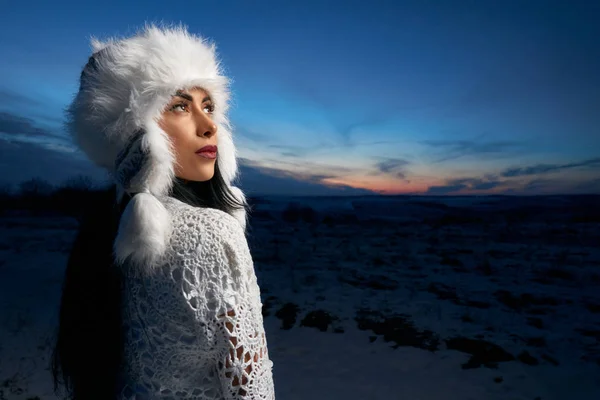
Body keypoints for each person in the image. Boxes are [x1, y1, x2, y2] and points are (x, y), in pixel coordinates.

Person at [50, 23, 276, 399]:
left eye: (209, 107)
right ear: (136, 133)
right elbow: (251, 390)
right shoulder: (212, 232)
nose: (208, 127)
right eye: (180, 106)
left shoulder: (107, 225)